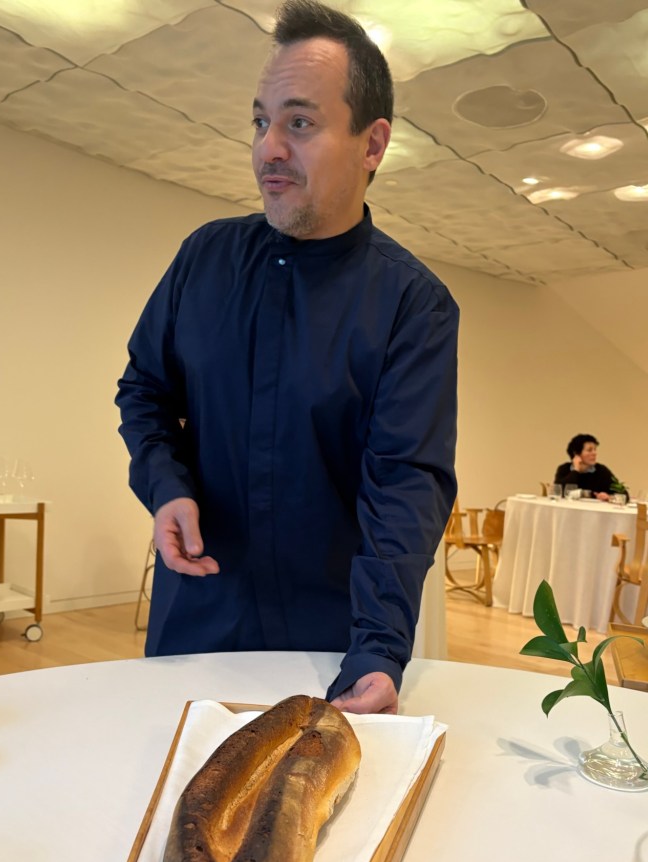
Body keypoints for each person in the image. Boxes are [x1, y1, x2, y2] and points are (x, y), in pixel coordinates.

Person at [115, 0, 459, 715]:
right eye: (260, 121)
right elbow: (144, 390)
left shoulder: (413, 304)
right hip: (196, 621)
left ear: (372, 144)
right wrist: (166, 485)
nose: (268, 148)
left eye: (299, 123)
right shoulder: (204, 259)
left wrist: (378, 646)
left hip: (331, 641)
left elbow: (405, 486)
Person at [554, 434, 625, 501]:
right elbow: (557, 493)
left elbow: (623, 494)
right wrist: (575, 471)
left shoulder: (601, 470)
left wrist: (610, 497)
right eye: (589, 450)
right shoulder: (564, 469)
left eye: (595, 449)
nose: (594, 453)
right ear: (576, 453)